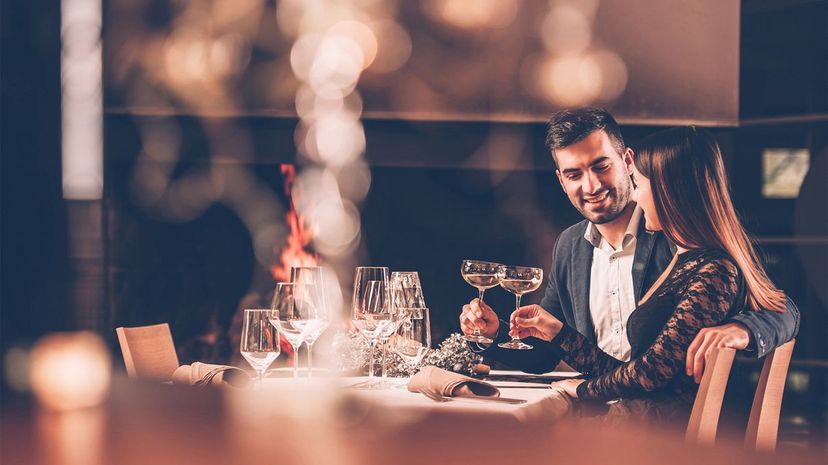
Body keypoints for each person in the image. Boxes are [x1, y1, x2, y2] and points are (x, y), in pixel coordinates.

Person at [459, 109, 799, 419]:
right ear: (561, 181)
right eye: (574, 174)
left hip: (661, 423)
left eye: (600, 166)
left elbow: (780, 308)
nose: (590, 185)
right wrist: (495, 333)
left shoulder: (679, 233)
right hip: (602, 409)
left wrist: (742, 330)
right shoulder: (570, 247)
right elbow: (546, 354)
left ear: (627, 161)